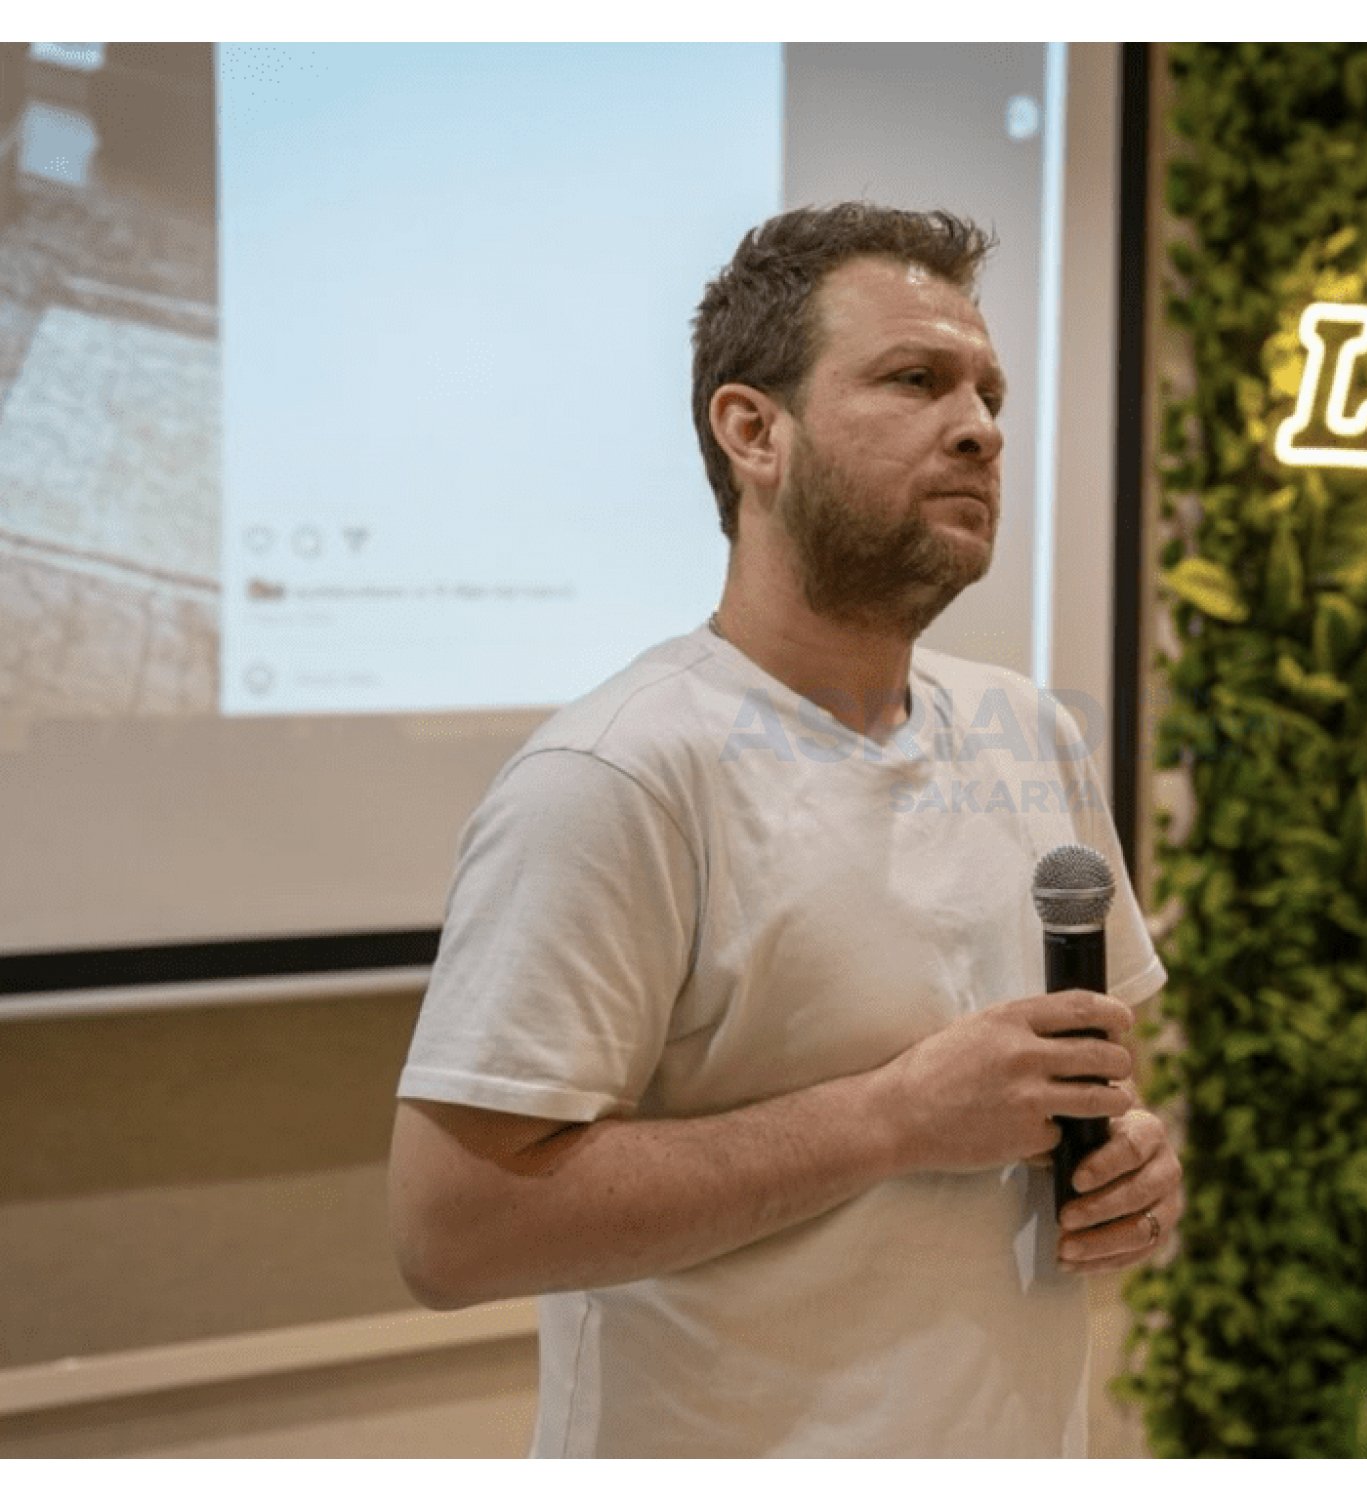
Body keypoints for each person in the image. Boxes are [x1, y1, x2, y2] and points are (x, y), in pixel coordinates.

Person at [386, 203, 1182, 1458]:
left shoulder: (1031, 732)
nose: (978, 428)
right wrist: (892, 1121)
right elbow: (454, 1230)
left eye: (987, 392)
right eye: (913, 380)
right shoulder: (616, 774)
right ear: (753, 431)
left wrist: (1131, 1158)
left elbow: (1084, 1092)